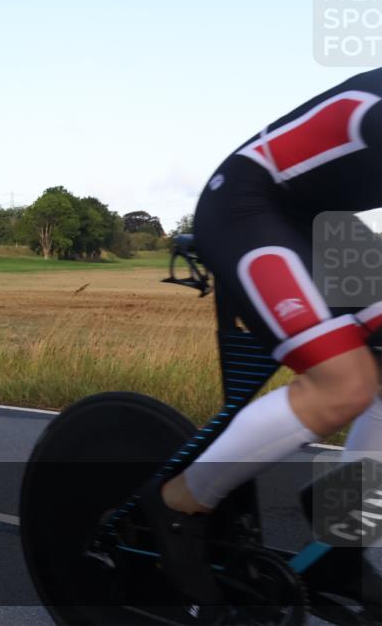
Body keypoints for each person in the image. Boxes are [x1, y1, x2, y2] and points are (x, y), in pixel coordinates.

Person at [138, 67, 382, 615]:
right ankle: (176, 505)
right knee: (345, 384)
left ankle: (340, 543)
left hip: (321, 221)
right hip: (251, 207)